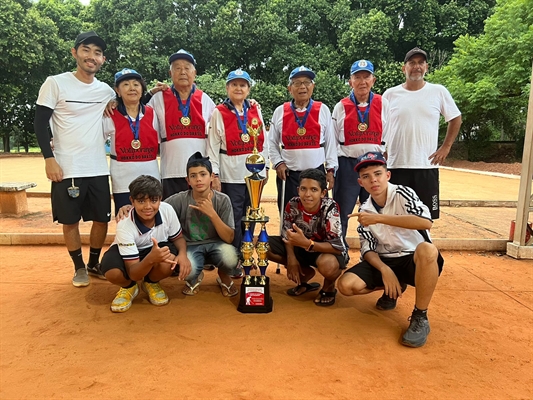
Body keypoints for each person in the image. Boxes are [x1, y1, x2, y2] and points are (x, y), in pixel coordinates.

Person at [34, 31, 116, 287]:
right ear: (75, 52)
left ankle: (93, 263)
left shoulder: (105, 90)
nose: (92, 56)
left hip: (97, 167)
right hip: (66, 167)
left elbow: (129, 102)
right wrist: (49, 158)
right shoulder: (55, 83)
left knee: (102, 218)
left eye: (98, 53)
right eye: (87, 50)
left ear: (102, 60)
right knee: (70, 221)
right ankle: (78, 267)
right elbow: (39, 122)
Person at [337, 151, 444, 347]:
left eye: (378, 173)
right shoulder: (364, 210)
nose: (373, 180)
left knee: (427, 250)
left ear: (388, 175)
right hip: (386, 259)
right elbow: (367, 248)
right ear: (360, 182)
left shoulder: (403, 193)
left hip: (412, 258)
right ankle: (392, 288)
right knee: (346, 285)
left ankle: (420, 316)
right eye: (366, 177)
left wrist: (378, 218)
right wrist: (385, 270)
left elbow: (425, 222)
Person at [382, 47, 462, 219]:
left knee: (426, 217)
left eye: (421, 63)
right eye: (412, 63)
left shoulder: (438, 91)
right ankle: (400, 247)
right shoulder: (390, 94)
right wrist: (382, 148)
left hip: (427, 165)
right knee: (396, 215)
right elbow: (381, 124)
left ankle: (424, 246)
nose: (416, 67)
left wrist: (446, 147)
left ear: (427, 67)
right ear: (404, 68)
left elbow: (455, 118)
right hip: (397, 165)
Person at [100, 175, 191, 312]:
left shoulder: (167, 210)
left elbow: (178, 238)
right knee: (111, 271)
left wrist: (183, 255)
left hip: (155, 249)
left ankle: (151, 283)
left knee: (169, 261)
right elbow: (134, 273)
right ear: (132, 201)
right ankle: (129, 287)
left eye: (154, 200)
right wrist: (150, 259)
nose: (148, 207)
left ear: (160, 199)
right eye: (141, 201)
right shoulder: (124, 224)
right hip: (129, 254)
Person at [206, 69, 269, 252]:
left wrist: (263, 171)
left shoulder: (255, 109)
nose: (238, 88)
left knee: (252, 214)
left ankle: (246, 250)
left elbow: (263, 141)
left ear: (248, 89)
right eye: (234, 84)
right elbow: (212, 146)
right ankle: (234, 256)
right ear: (227, 88)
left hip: (254, 175)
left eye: (243, 85)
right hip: (231, 175)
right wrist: (214, 174)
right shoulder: (219, 112)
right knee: (233, 216)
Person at [267, 169, 347, 307]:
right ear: (298, 190)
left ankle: (329, 287)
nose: (307, 194)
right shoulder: (292, 204)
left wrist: (309, 244)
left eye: (314, 190)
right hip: (301, 248)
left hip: (325, 251)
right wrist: (291, 259)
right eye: (303, 189)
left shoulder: (330, 207)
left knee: (328, 265)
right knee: (263, 246)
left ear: (323, 193)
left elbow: (338, 247)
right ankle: (304, 274)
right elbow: (287, 234)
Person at [332, 60, 389, 248]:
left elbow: (390, 133)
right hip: (348, 165)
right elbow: (332, 139)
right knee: (342, 211)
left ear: (373, 80)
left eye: (366, 77)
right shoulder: (341, 106)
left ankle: (376, 250)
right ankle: (340, 249)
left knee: (375, 210)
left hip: (374, 165)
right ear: (350, 81)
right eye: (357, 77)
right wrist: (331, 168)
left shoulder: (383, 103)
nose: (362, 81)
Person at [165, 152, 240, 297]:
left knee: (231, 258)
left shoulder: (223, 200)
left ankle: (224, 276)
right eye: (193, 176)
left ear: (212, 176)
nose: (198, 179)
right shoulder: (179, 200)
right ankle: (195, 277)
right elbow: (158, 208)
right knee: (188, 269)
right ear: (188, 180)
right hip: (190, 246)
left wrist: (212, 213)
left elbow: (229, 238)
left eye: (203, 174)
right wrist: (130, 208)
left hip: (217, 244)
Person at [147, 49, 216, 199]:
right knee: (171, 215)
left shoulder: (205, 99)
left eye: (187, 68)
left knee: (199, 218)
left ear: (194, 73)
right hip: (170, 172)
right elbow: (136, 114)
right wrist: (148, 93)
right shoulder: (158, 98)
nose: (182, 72)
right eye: (177, 68)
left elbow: (218, 134)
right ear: (170, 73)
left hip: (199, 175)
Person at [268, 66, 338, 212]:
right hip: (289, 174)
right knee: (289, 212)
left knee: (317, 214)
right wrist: (278, 163)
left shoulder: (323, 109)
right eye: (297, 83)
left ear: (313, 86)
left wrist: (331, 170)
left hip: (316, 173)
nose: (302, 87)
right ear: (289, 88)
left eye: (307, 82)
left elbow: (331, 143)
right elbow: (272, 142)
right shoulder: (280, 111)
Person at [104, 68, 160, 213]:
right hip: (123, 179)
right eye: (126, 85)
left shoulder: (152, 113)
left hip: (150, 175)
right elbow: (97, 141)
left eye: (136, 84)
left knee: (151, 217)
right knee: (125, 218)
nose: (132, 88)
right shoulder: (110, 114)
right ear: (117, 90)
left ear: (142, 88)